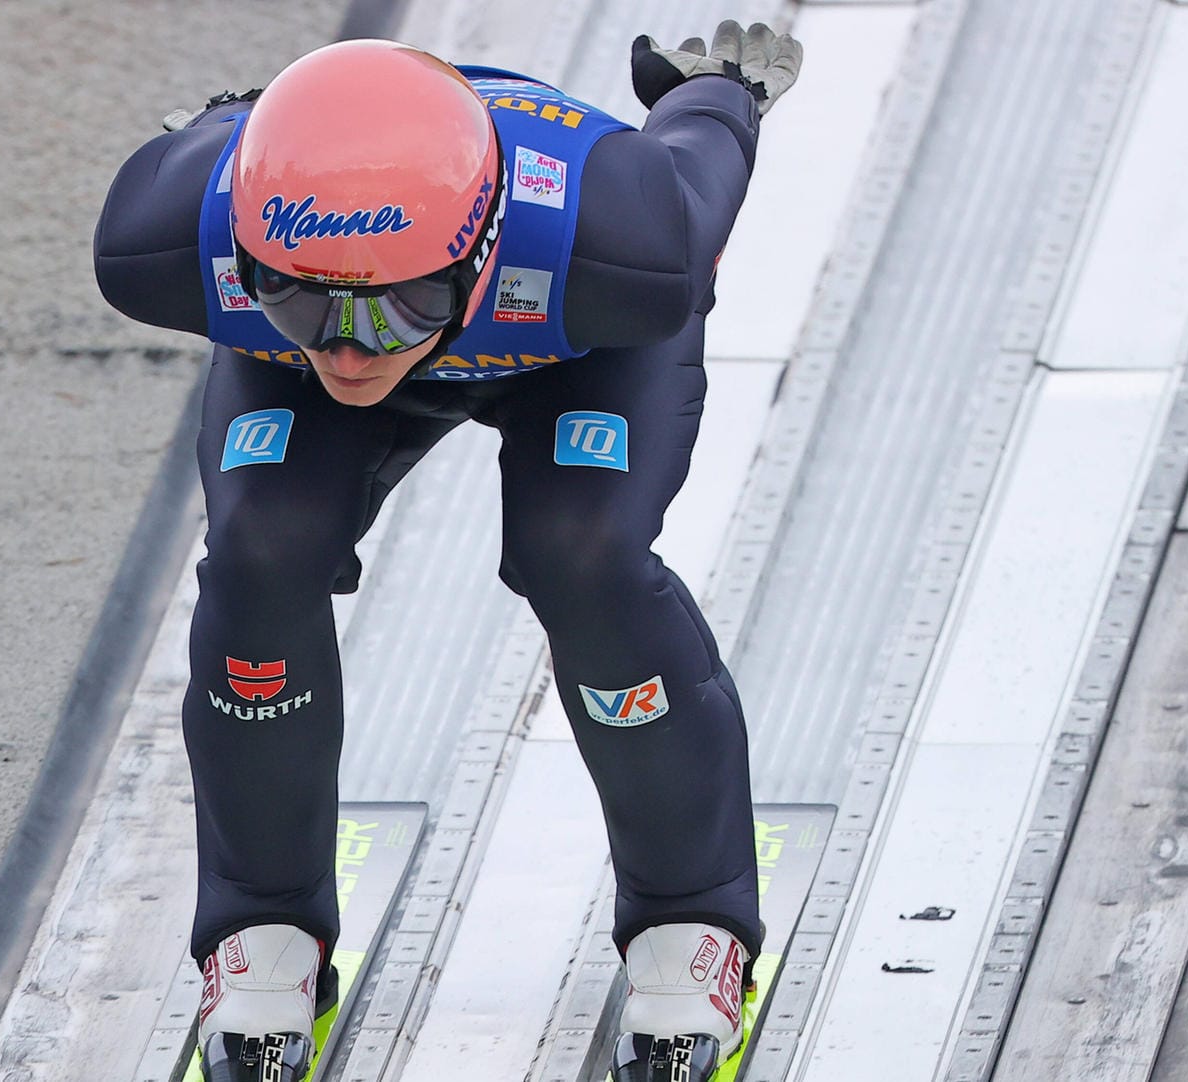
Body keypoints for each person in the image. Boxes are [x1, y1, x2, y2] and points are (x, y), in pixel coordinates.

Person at [93, 23, 802, 1082]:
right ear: (242, 248)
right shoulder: (168, 234)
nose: (347, 349)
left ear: (480, 247)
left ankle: (690, 915)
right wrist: (252, 132)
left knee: (587, 556)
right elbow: (229, 144)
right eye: (294, 294)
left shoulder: (620, 236)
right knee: (258, 553)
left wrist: (714, 97)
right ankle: (263, 923)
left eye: (401, 305)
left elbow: (697, 169)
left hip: (581, 339)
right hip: (490, 297)